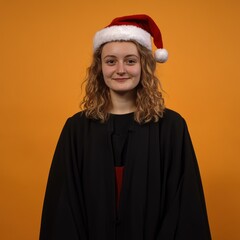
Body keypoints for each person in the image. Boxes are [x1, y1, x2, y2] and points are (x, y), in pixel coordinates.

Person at [39, 14, 212, 240]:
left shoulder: (171, 127)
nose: (121, 69)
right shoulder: (77, 130)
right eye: (111, 61)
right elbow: (63, 208)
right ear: (99, 68)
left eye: (130, 61)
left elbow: (184, 206)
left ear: (144, 66)